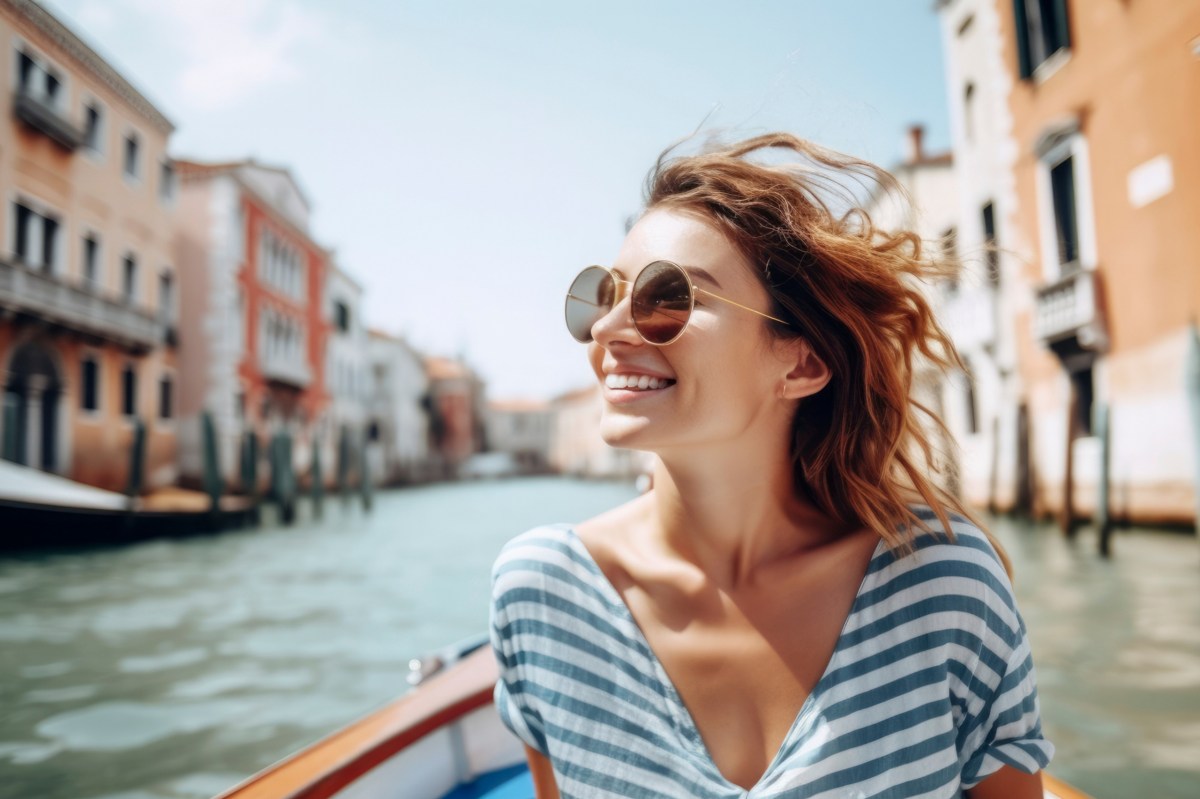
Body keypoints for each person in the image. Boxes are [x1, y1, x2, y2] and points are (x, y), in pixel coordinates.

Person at [490, 133, 1053, 798]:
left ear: (800, 362)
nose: (610, 328)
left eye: (668, 297)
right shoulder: (543, 595)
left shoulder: (944, 589)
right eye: (601, 295)